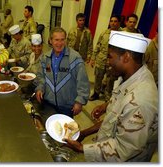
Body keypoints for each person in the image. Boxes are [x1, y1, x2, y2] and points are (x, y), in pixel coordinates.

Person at [65, 31, 158, 162]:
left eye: (110, 57)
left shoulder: (139, 100)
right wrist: (85, 132)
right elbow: (116, 120)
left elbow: (123, 149)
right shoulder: (130, 77)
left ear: (126, 57)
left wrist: (82, 148)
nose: (107, 62)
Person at [35, 27, 90, 120]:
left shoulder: (75, 58)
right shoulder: (45, 58)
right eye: (56, 40)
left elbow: (83, 82)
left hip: (67, 106)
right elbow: (41, 76)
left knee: (64, 132)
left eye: (62, 40)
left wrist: (80, 101)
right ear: (50, 41)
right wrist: (40, 88)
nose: (59, 43)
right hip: (49, 104)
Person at [89, 15, 122, 101]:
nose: (113, 23)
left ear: (118, 22)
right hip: (101, 59)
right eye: (111, 21)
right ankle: (96, 93)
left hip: (113, 61)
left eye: (115, 21)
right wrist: (93, 58)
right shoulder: (104, 33)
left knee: (110, 80)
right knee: (98, 77)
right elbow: (98, 46)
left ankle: (108, 96)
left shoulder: (122, 35)